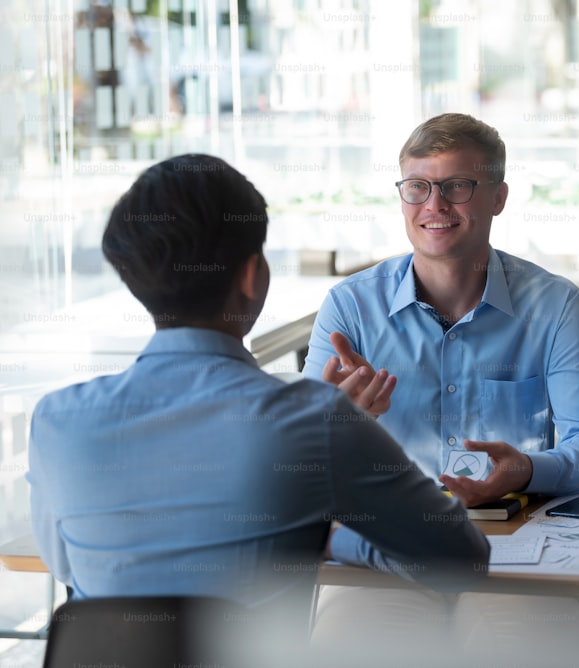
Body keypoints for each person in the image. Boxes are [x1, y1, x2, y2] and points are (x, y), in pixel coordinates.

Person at [27, 154, 489, 666]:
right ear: (252, 275)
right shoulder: (314, 418)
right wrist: (330, 535)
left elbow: (66, 564)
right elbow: (461, 556)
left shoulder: (57, 421)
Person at [302, 113, 579, 665]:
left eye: (456, 187)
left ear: (498, 196)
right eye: (418, 187)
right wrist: (336, 428)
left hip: (513, 553)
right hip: (387, 557)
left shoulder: (555, 306)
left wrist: (528, 469)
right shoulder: (350, 308)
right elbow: (300, 473)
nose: (434, 205)